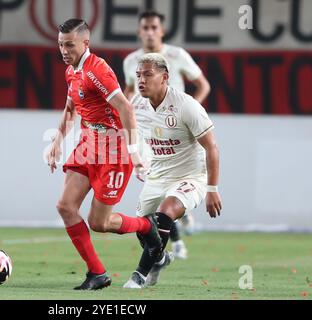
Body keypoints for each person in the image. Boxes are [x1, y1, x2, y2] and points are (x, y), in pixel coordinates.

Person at [46, 19, 162, 290]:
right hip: (89, 143)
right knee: (65, 206)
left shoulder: (97, 70)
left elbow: (126, 109)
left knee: (100, 222)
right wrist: (57, 140)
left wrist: (134, 152)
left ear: (85, 43)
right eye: (61, 45)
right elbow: (71, 108)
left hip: (114, 149)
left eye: (70, 45)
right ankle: (97, 273)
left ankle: (147, 227)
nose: (64, 50)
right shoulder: (71, 72)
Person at [123, 53, 222, 289]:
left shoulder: (186, 106)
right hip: (157, 175)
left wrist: (212, 189)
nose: (141, 80)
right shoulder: (136, 103)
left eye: (148, 74)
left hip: (190, 176)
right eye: (138, 75)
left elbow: (212, 146)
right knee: (143, 230)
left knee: (166, 212)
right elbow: (125, 125)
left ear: (165, 77)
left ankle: (139, 275)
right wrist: (135, 156)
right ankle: (160, 259)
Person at [123, 10, 212, 259]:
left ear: (161, 30)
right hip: (149, 132)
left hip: (178, 131)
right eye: (145, 28)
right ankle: (173, 242)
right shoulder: (131, 61)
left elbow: (203, 84)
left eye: (154, 27)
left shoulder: (177, 55)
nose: (150, 32)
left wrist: (194, 113)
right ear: (140, 32)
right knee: (156, 192)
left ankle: (174, 241)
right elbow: (127, 95)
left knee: (167, 194)